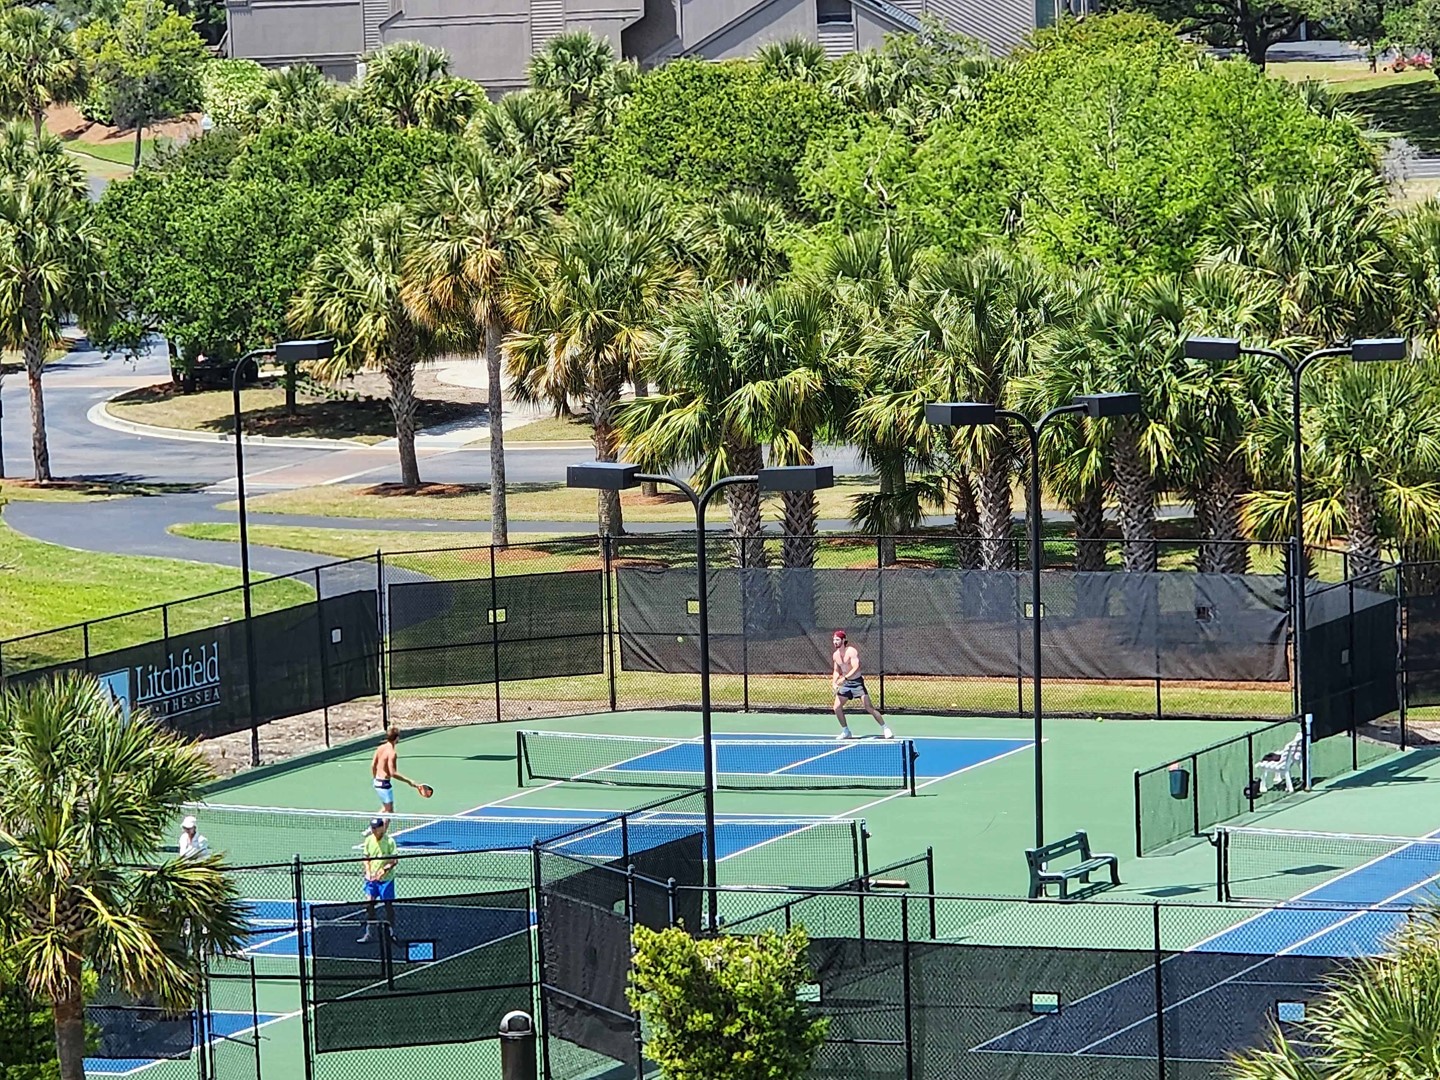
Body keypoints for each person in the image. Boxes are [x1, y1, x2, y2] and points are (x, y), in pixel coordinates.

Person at [831, 630, 892, 740]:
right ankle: (846, 731)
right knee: (836, 707)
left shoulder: (851, 651)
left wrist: (844, 678)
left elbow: (856, 667)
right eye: (834, 640)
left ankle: (885, 728)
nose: (835, 642)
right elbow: (836, 671)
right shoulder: (835, 655)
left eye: (837, 640)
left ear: (843, 640)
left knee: (869, 708)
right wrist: (834, 683)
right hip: (846, 685)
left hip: (857, 683)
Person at [358, 816, 398, 944]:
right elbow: (366, 858)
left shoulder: (390, 841)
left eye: (376, 828)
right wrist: (368, 871)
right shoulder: (369, 840)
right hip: (372, 880)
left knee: (388, 906)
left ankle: (391, 933)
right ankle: (369, 933)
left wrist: (383, 870)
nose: (374, 830)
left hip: (386, 880)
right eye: (372, 828)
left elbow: (394, 860)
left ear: (382, 828)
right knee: (369, 904)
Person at [370, 726, 423, 814]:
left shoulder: (380, 748)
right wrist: (409, 781)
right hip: (384, 784)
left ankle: (373, 827)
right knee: (389, 812)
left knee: (386, 808)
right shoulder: (392, 753)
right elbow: (392, 773)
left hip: (377, 781)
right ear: (397, 738)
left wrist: (375, 779)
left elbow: (373, 765)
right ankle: (374, 827)